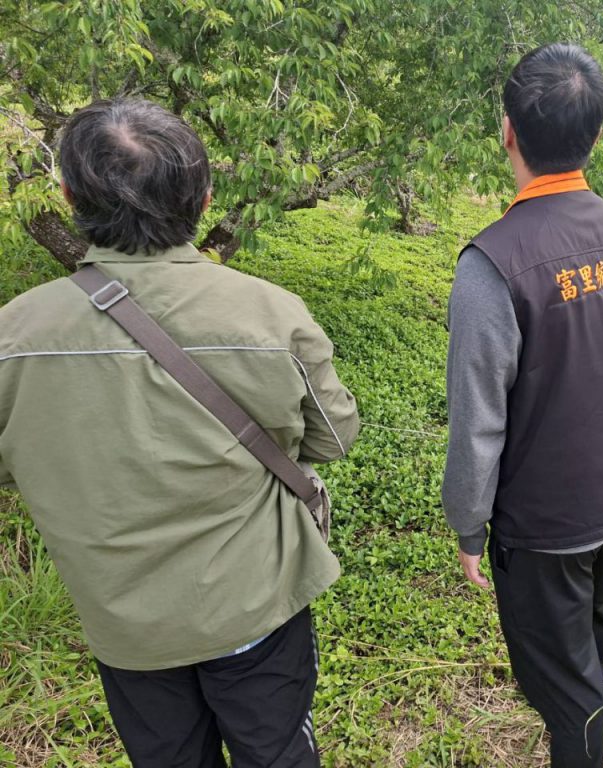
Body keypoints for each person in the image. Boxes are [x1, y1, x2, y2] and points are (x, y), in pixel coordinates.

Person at [0, 99, 359, 767]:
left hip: (125, 625)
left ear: (69, 196)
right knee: (276, 750)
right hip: (254, 605)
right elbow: (332, 438)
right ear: (204, 197)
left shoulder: (13, 336)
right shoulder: (271, 316)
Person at [442, 43, 603, 767]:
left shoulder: (492, 264)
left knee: (566, 691)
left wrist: (469, 525)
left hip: (542, 517)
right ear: (595, 136)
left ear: (507, 130)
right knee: (587, 636)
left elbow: (478, 423)